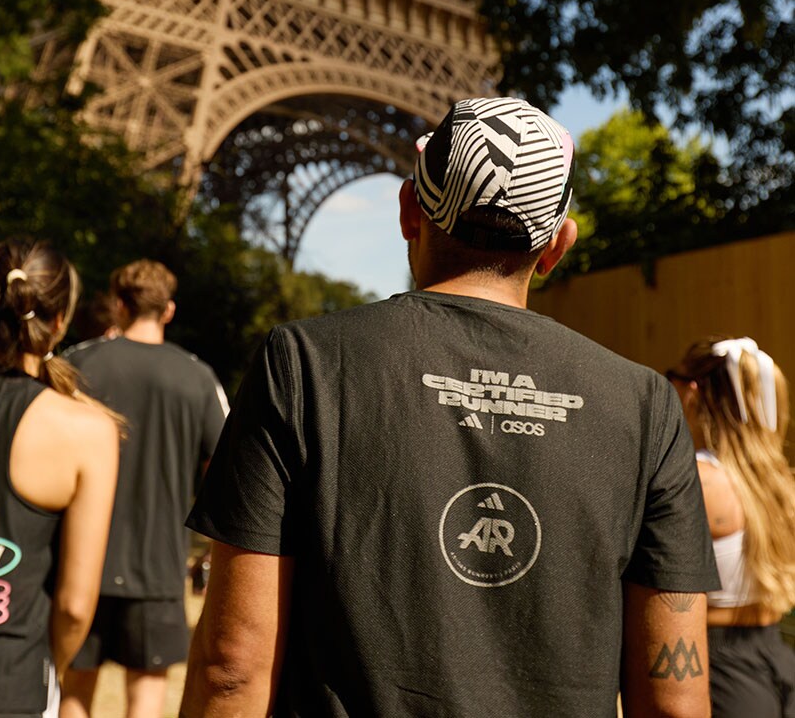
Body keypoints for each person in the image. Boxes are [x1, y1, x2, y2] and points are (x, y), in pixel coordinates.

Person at [180, 96, 720, 718]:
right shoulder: (646, 405)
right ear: (557, 246)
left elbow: (233, 668)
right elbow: (675, 702)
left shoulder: (302, 364)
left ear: (410, 210)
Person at [0, 237, 119, 718]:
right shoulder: (87, 431)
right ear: (58, 323)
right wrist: (50, 669)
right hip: (8, 693)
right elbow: (75, 605)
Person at [60, 259, 228, 718]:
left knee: (73, 691)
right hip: (157, 568)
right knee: (147, 698)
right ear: (168, 310)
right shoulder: (197, 377)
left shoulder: (75, 364)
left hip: (80, 563)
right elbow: (230, 471)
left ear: (118, 305)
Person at [666, 336, 795, 716]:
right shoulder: (782, 486)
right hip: (778, 658)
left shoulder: (697, 481)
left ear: (693, 391)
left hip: (713, 663)